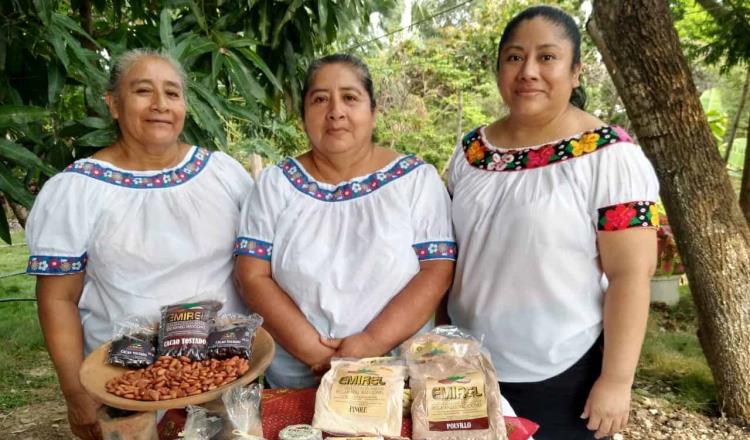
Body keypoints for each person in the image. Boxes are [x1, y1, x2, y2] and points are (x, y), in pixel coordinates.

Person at [444, 6, 659, 440]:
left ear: (576, 71)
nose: (528, 71)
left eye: (547, 57)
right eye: (514, 57)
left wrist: (616, 381)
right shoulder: (471, 151)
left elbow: (630, 275)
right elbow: (450, 255)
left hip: (562, 372)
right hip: (464, 367)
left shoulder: (609, 156)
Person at [25, 49, 253, 440]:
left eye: (173, 93)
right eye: (143, 91)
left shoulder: (223, 174)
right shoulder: (78, 190)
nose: (160, 105)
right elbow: (57, 299)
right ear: (113, 104)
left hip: (224, 373)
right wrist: (75, 390)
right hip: (126, 380)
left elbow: (257, 269)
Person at [234, 54, 456, 388]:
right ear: (303, 116)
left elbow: (437, 271)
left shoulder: (415, 180)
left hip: (394, 375)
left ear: (373, 112)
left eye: (350, 98)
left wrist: (370, 343)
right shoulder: (276, 184)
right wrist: (316, 353)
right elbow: (252, 275)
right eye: (320, 99)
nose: (335, 111)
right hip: (298, 374)